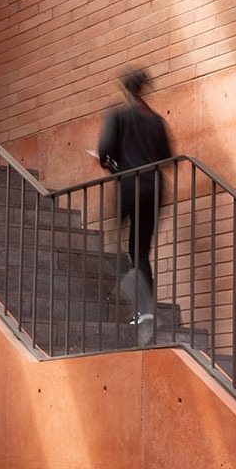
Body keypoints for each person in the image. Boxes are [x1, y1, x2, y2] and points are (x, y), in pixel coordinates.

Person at [98, 68, 174, 331]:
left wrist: (112, 163)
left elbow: (104, 152)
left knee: (120, 244)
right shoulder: (155, 121)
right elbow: (167, 157)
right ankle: (145, 309)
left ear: (126, 91)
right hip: (154, 188)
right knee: (141, 252)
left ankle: (131, 297)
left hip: (130, 187)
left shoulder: (118, 116)